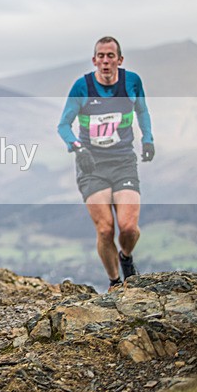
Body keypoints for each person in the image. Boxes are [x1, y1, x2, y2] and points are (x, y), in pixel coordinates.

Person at [58, 36, 154, 292]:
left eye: (110, 56)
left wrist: (148, 139)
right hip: (92, 166)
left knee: (128, 227)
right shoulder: (82, 87)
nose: (105, 61)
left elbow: (142, 111)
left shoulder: (132, 82)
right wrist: (77, 147)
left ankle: (126, 257)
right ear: (94, 60)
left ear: (119, 60)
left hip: (123, 162)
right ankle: (114, 282)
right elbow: (63, 125)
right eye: (100, 56)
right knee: (105, 229)